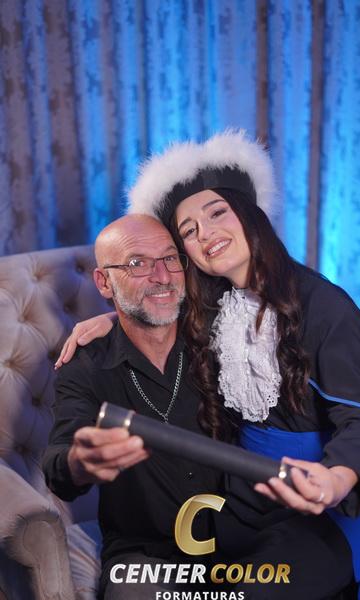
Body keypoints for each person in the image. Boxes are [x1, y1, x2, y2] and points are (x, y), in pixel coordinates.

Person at [54, 131, 360, 599]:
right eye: (189, 231)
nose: (206, 234)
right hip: (242, 504)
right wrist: (115, 316)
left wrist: (336, 479)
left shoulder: (325, 307)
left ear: (249, 212)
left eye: (216, 212)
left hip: (317, 504)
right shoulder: (214, 304)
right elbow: (158, 304)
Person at [43, 214, 224, 600]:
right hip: (146, 556)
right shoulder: (85, 365)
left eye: (170, 258)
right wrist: (81, 461)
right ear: (104, 282)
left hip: (241, 541)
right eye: (137, 263)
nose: (162, 276)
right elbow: (59, 463)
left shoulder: (219, 335)